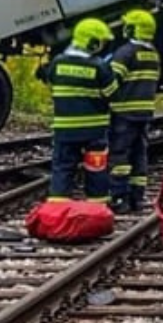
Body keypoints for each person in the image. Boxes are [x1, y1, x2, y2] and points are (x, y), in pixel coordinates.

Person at [42, 18, 118, 203]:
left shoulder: (57, 63)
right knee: (96, 169)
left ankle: (57, 208)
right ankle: (98, 207)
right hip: (94, 131)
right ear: (92, 42)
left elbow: (50, 83)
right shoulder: (99, 66)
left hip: (65, 129)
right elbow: (112, 93)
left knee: (62, 168)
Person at [106, 9, 160, 214]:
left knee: (119, 155)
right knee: (139, 154)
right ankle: (137, 196)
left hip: (123, 112)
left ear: (134, 29)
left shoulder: (125, 53)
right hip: (144, 112)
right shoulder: (153, 53)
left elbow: (112, 81)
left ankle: (120, 197)